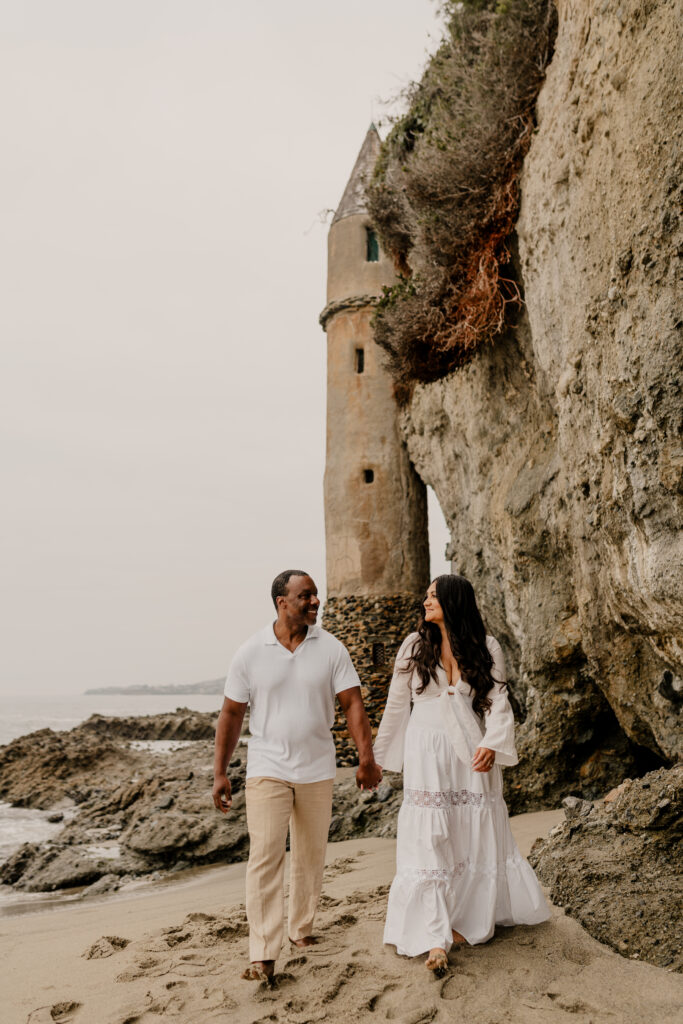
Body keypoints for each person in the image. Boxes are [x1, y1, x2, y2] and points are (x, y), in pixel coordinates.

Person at [373, 574, 549, 975]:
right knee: (429, 837)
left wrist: (493, 743)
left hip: (471, 752)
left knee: (472, 834)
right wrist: (378, 759)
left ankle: (467, 923)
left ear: (454, 601)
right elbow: (397, 705)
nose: (425, 601)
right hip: (426, 752)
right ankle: (435, 937)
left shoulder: (486, 646)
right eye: (426, 595)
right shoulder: (414, 646)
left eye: (433, 596)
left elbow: (497, 700)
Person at [213, 569, 382, 983]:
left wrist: (366, 757)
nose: (316, 602)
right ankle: (263, 952)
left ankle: (301, 929)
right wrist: (219, 772)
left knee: (309, 855)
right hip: (267, 768)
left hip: (317, 768)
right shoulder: (250, 652)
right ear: (281, 602)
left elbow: (353, 704)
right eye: (306, 596)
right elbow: (232, 714)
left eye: (316, 595)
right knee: (266, 855)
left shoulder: (331, 648)